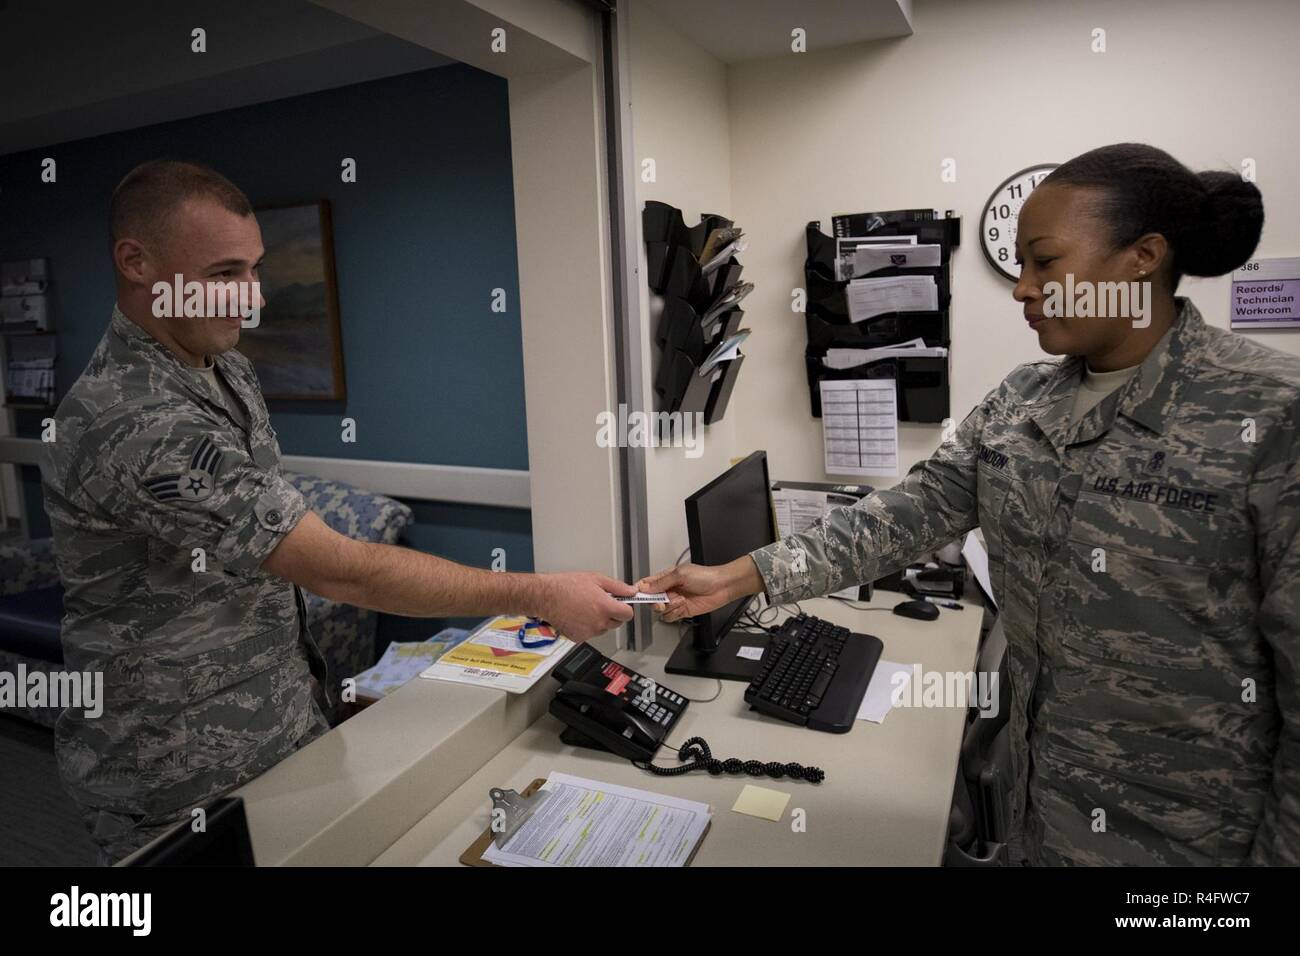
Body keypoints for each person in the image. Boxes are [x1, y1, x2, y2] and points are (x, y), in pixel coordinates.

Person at [640, 143, 1300, 866]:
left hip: (1193, 847)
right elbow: (912, 512)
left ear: (1141, 257)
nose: (1022, 288)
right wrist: (739, 577)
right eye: (1020, 264)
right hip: (1037, 809)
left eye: (1044, 262)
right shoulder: (1023, 400)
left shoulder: (1268, 414)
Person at [41, 159, 635, 864]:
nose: (249, 298)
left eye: (255, 270)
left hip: (277, 719)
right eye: (225, 273)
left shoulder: (221, 366)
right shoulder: (134, 418)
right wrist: (534, 592)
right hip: (175, 763)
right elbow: (338, 571)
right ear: (136, 262)